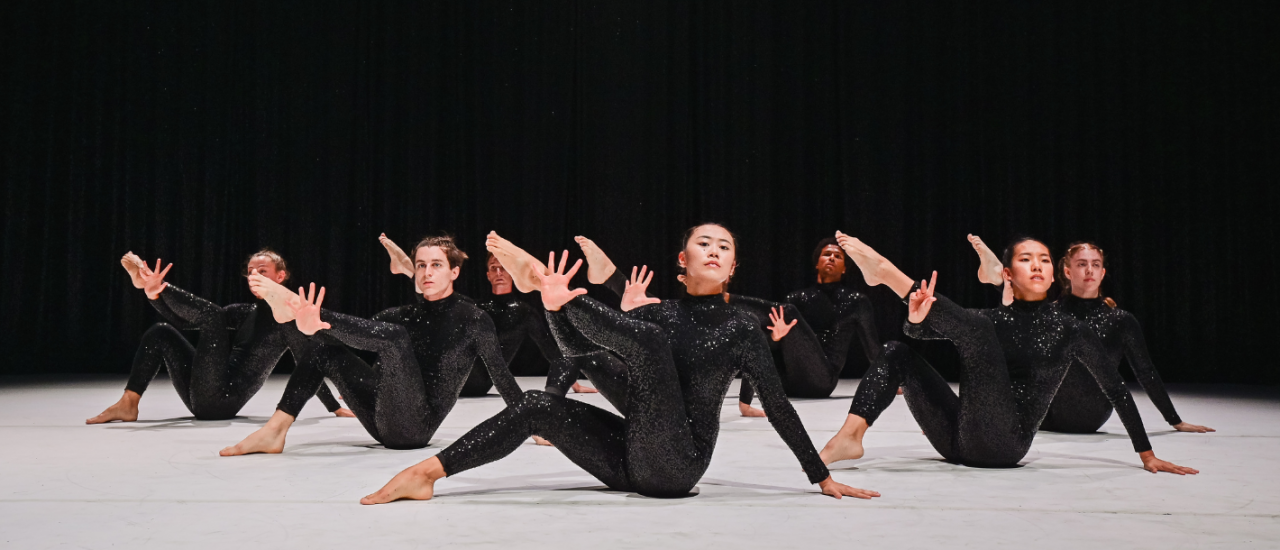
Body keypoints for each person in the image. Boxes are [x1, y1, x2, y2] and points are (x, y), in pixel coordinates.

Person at [357, 224, 880, 503]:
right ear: (683, 260)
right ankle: (425, 473)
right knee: (540, 403)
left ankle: (545, 284)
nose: (714, 251)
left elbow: (779, 405)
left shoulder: (740, 325)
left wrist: (819, 476)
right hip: (632, 458)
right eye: (704, 243)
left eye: (725, 247)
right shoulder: (657, 313)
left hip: (679, 466)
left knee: (646, 344)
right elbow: (575, 354)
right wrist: (557, 313)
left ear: (733, 267)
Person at [819, 232, 1197, 475]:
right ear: (1008, 275)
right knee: (896, 351)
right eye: (1026, 259)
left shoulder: (1071, 329)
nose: (1037, 264)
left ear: (1055, 276)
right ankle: (851, 436)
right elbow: (920, 333)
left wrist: (1147, 455)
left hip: (1004, 445)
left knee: (975, 330)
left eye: (1045, 259)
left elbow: (1116, 390)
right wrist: (915, 321)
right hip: (958, 438)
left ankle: (888, 274)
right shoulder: (989, 319)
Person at [217, 236, 523, 455]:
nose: (427, 272)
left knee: (393, 337)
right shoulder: (402, 315)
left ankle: (304, 311)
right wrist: (317, 334)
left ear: (454, 271)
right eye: (420, 265)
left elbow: (500, 374)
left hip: (414, 430)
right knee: (325, 349)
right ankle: (274, 432)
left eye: (436, 265)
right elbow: (357, 335)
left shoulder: (473, 318)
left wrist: (531, 425)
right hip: (380, 418)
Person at [967, 238, 1213, 434]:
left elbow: (1145, 372)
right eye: (1082, 264)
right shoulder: (1051, 314)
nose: (1089, 270)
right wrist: (977, 419)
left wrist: (1175, 420)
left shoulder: (1120, 320)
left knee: (1022, 317)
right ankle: (1002, 279)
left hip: (1090, 418)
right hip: (1044, 415)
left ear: (1103, 272)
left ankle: (1000, 278)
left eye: (1095, 264)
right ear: (1066, 271)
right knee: (1013, 328)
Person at [87, 251, 350, 424]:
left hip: (223, 400)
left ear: (280, 277)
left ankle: (159, 287)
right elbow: (185, 321)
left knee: (212, 315)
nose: (254, 276)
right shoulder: (242, 312)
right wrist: (153, 297)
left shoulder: (287, 319)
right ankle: (128, 403)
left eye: (262, 272)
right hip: (202, 391)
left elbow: (307, 362)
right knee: (161, 332)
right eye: (251, 272)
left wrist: (333, 408)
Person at [377, 234, 597, 397]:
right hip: (449, 378)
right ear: (488, 275)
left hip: (478, 382)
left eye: (503, 268)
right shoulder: (477, 307)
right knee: (444, 304)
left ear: (512, 273)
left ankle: (409, 271)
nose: (499, 273)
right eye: (494, 268)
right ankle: (409, 271)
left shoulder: (523, 312)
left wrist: (572, 383)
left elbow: (552, 351)